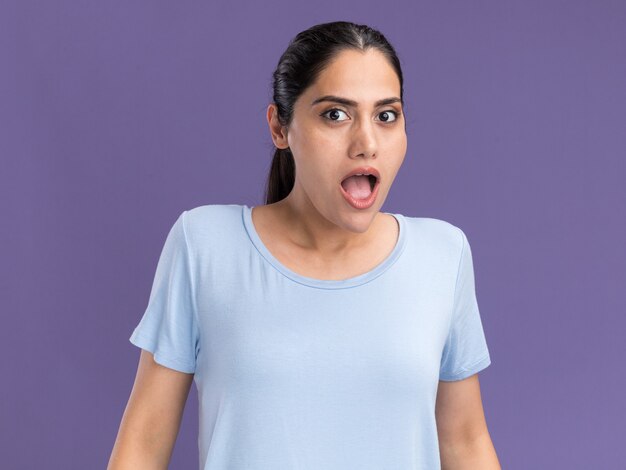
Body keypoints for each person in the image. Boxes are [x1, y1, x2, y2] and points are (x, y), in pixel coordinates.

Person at [108, 20, 500, 470]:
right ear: (280, 128)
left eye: (386, 115)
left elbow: (465, 443)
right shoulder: (204, 246)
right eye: (336, 114)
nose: (366, 143)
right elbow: (144, 441)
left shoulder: (442, 255)